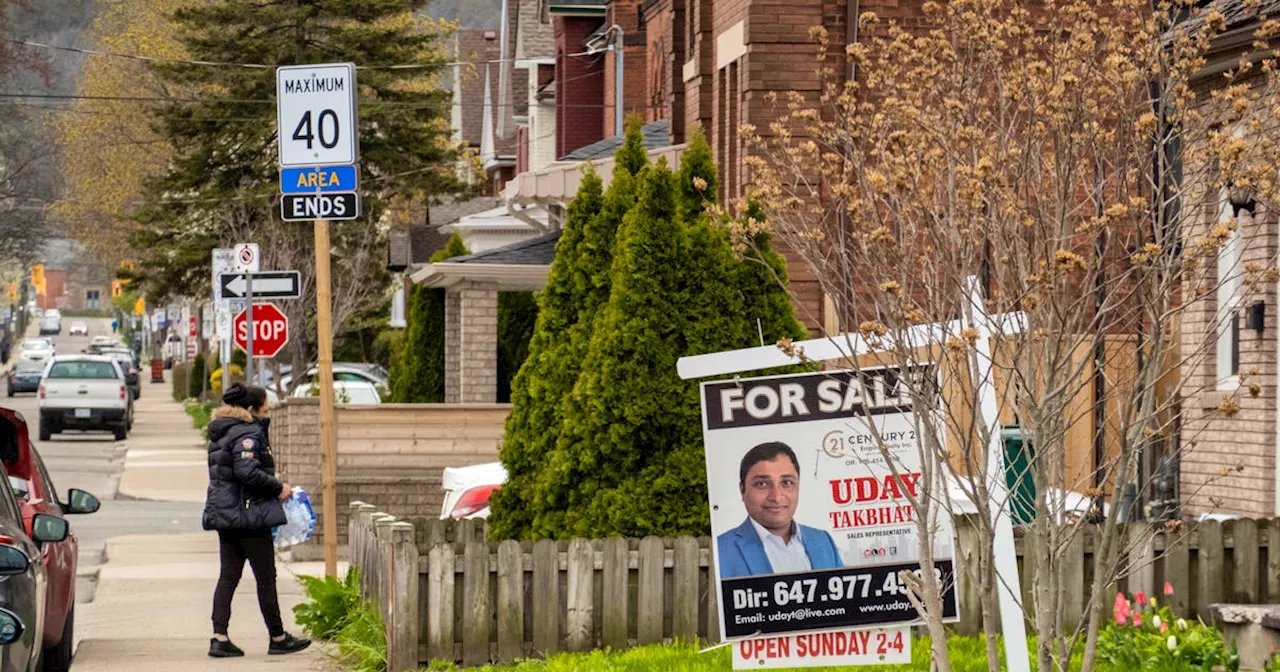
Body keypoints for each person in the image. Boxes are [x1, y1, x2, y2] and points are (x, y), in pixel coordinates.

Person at [202, 383, 311, 658]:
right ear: (249, 410)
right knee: (266, 577)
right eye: (264, 410)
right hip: (249, 514)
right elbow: (247, 472)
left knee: (229, 575)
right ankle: (277, 636)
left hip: (226, 513)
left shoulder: (220, 432)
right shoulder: (247, 433)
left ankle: (219, 637)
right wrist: (278, 487)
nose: (267, 414)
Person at [716, 441, 843, 579]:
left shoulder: (823, 541)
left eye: (787, 483)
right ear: (742, 490)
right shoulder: (721, 551)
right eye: (762, 484)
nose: (776, 497)